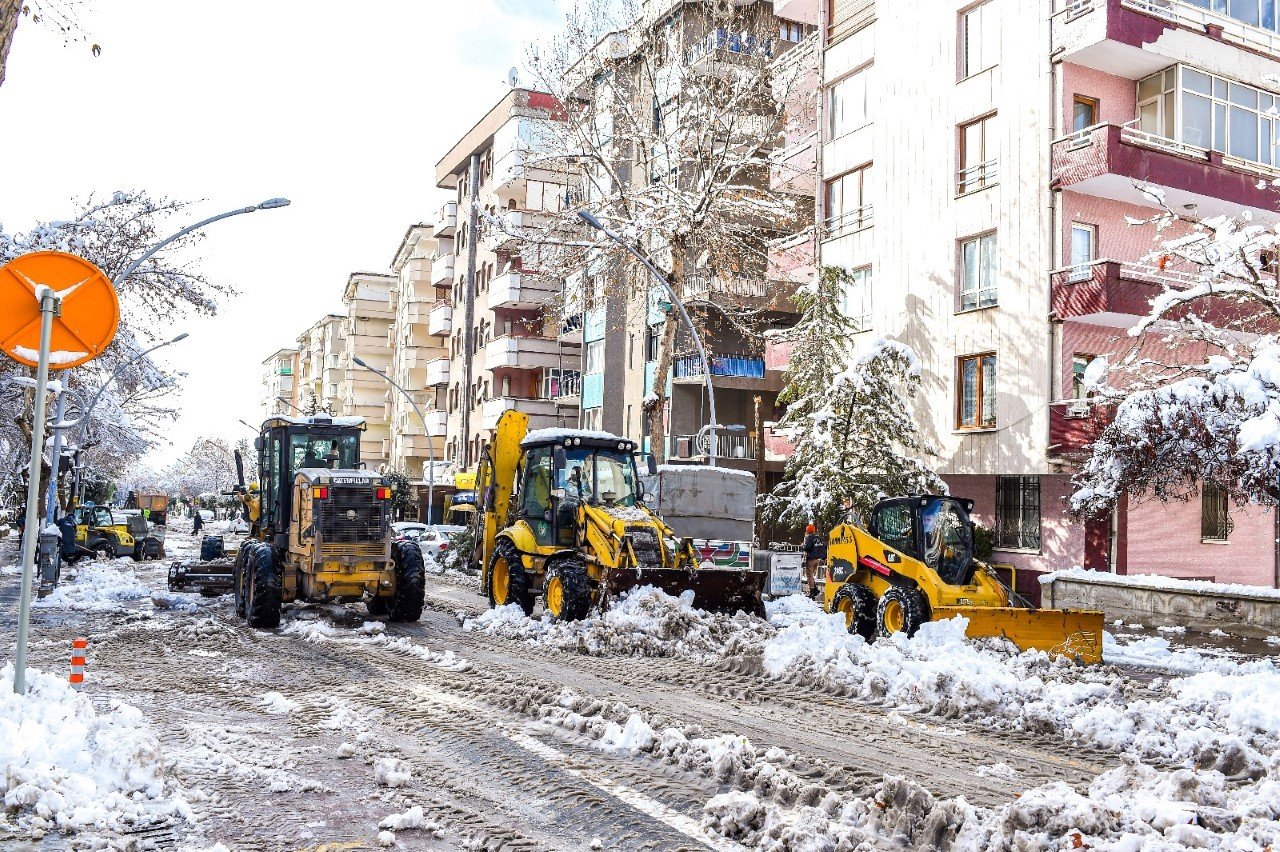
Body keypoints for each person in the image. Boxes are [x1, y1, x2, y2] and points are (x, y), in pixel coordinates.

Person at [801, 523, 825, 599]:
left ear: (807, 531)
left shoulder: (809, 538)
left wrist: (803, 545)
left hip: (811, 559)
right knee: (812, 575)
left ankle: (812, 591)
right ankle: (815, 589)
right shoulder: (818, 538)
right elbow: (822, 547)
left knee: (809, 575)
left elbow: (806, 548)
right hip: (817, 559)